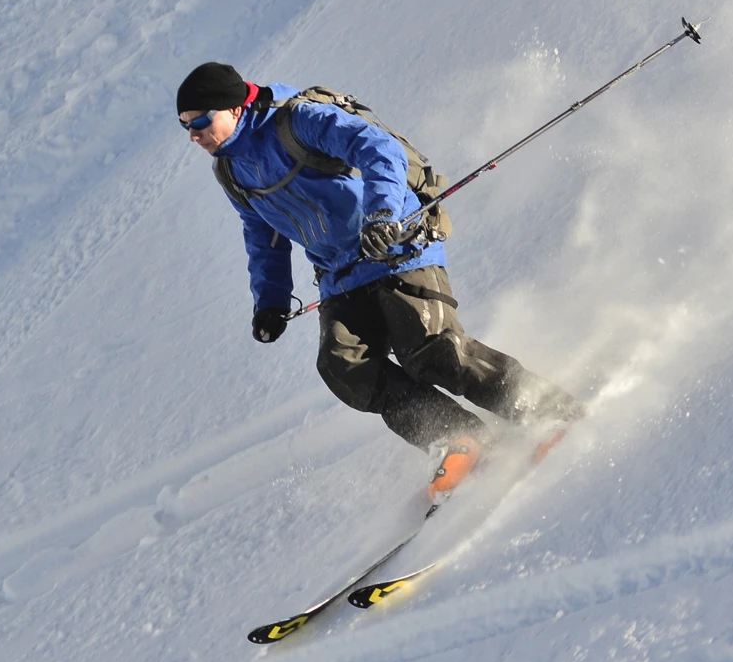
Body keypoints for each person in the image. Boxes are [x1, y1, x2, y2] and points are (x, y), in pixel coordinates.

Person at [178, 61, 582, 493]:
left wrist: (383, 214)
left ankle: (546, 409)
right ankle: (459, 439)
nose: (194, 134)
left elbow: (377, 148)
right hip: (341, 274)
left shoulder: (297, 121)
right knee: (345, 367)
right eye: (185, 126)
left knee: (430, 351)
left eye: (200, 121)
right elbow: (261, 233)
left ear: (235, 108)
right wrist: (271, 300)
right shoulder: (231, 170)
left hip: (396, 247)